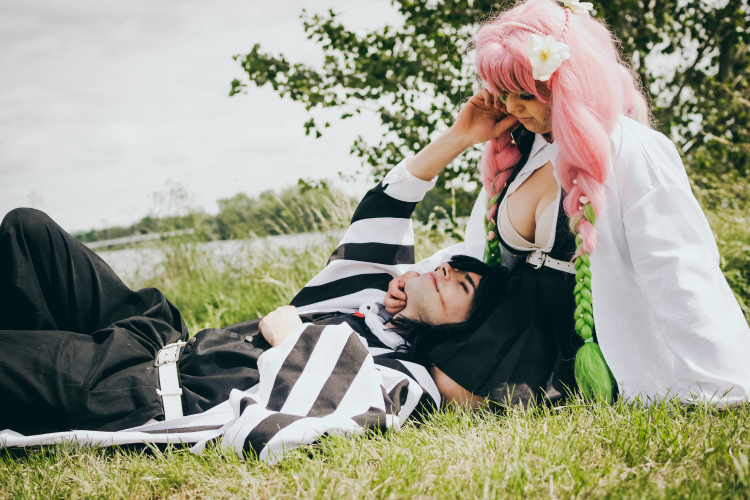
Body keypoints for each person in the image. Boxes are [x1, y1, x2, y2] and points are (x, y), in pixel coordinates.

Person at [382, 0, 750, 408]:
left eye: (525, 94)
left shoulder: (632, 149)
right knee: (432, 380)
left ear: (569, 84)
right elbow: (479, 251)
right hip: (514, 324)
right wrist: (416, 276)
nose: (511, 107)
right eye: (503, 93)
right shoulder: (522, 146)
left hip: (586, 335)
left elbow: (677, 268)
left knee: (442, 391)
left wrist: (718, 384)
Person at [0, 149, 505, 441]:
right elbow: (387, 205)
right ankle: (38, 379)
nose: (443, 270)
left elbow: (337, 416)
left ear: (463, 333)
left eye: (460, 284)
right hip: (159, 335)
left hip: (145, 391)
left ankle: (47, 376)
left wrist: (294, 340)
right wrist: (464, 134)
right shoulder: (371, 305)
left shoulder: (406, 381)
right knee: (27, 229)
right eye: (447, 267)